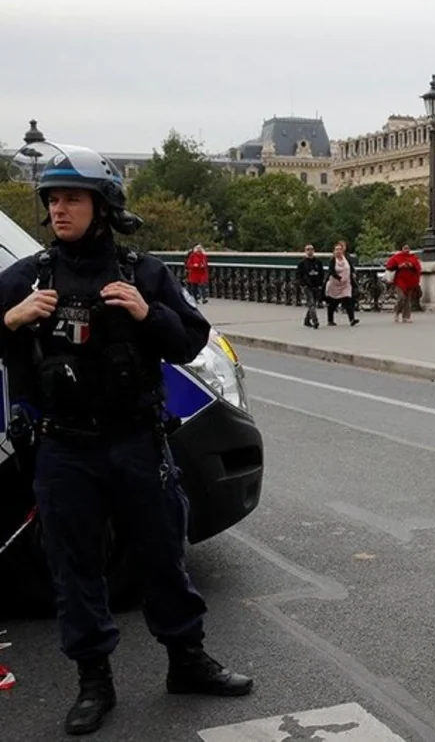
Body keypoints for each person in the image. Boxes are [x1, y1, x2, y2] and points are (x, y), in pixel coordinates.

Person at [0, 142, 252, 736]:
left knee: (162, 554)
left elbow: (190, 341)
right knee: (74, 566)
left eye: (73, 199)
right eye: (53, 199)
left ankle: (187, 662)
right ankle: (94, 682)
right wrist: (9, 320)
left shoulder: (143, 272)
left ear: (103, 204)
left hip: (137, 441)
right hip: (62, 447)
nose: (59, 210)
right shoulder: (27, 277)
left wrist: (146, 314)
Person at [384, 244, 422, 323]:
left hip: (410, 282)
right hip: (399, 281)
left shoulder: (413, 258)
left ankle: (406, 317)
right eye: (405, 248)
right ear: (402, 249)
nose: (406, 250)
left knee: (408, 300)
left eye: (408, 249)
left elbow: (418, 268)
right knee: (401, 298)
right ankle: (396, 312)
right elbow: (389, 266)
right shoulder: (397, 257)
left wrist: (411, 265)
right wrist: (399, 266)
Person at [324, 241, 359, 326]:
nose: (338, 251)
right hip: (335, 284)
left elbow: (350, 268)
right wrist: (338, 277)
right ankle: (330, 320)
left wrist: (353, 273)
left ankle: (352, 319)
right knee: (333, 302)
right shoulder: (332, 260)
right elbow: (331, 271)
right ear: (334, 251)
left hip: (346, 284)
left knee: (348, 300)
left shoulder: (346, 259)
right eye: (337, 249)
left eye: (340, 249)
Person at [296, 243, 325, 329]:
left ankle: (306, 320)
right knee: (311, 303)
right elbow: (299, 275)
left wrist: (320, 283)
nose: (310, 251)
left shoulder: (318, 262)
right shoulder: (302, 263)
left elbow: (321, 273)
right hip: (307, 286)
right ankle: (315, 321)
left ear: (314, 251)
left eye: (311, 249)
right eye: (308, 249)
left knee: (314, 303)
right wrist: (303, 284)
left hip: (316, 285)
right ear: (305, 251)